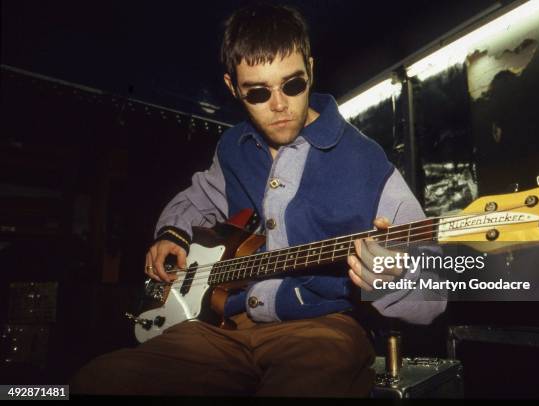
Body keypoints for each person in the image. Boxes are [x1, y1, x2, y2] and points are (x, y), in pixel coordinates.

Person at [71, 3, 445, 397]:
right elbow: (197, 198)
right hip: (222, 331)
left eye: (293, 84)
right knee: (97, 381)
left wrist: (395, 277)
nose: (280, 104)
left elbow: (434, 288)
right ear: (233, 88)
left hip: (323, 331)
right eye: (258, 92)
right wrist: (173, 233)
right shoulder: (232, 147)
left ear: (311, 70)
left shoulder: (368, 162)